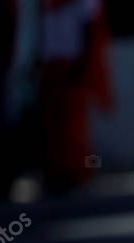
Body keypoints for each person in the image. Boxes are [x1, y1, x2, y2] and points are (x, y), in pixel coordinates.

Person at [40, 0, 111, 192]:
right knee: (51, 122)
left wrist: (83, 60)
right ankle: (54, 170)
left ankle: (76, 170)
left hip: (72, 61)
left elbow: (89, 24)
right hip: (49, 62)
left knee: (74, 123)